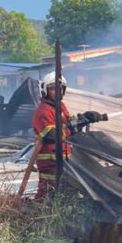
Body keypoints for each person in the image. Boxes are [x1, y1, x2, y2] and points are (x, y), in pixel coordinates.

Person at [32, 71, 108, 200]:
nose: (58, 92)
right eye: (53, 89)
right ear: (45, 90)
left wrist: (84, 119)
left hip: (64, 159)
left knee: (67, 193)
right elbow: (52, 135)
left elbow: (69, 127)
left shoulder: (60, 107)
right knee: (48, 193)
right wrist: (72, 126)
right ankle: (39, 213)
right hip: (51, 162)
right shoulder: (44, 111)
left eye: (61, 88)